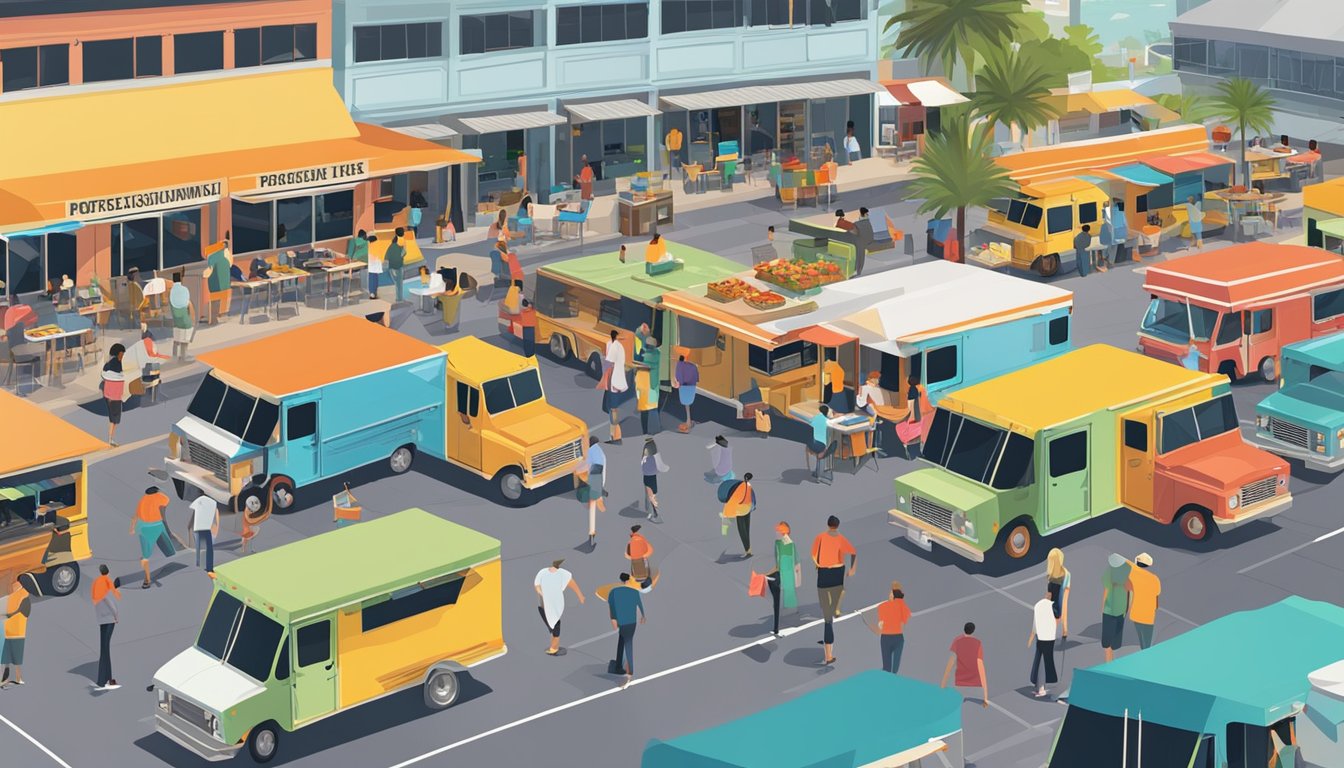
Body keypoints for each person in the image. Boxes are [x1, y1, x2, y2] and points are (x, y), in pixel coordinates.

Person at [812, 515, 857, 665]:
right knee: (838, 595)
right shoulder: (841, 539)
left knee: (827, 617)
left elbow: (813, 556)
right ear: (837, 526)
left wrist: (818, 564)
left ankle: (828, 655)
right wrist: (852, 569)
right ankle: (836, 608)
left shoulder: (820, 537)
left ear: (827, 524)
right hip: (838, 573)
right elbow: (853, 552)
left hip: (824, 575)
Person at [535, 559, 585, 656]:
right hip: (545, 606)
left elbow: (572, 583)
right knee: (554, 626)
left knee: (555, 626)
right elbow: (537, 586)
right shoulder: (544, 573)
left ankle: (554, 647)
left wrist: (580, 595)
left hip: (552, 605)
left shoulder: (558, 573)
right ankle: (554, 646)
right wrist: (543, 594)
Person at [131, 486, 176, 588]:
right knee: (167, 544)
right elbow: (167, 500)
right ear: (156, 492)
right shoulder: (160, 497)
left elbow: (136, 516)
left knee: (145, 556)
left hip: (143, 527)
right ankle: (171, 555)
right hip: (157, 525)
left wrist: (132, 528)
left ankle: (147, 579)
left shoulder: (142, 500)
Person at [607, 572, 646, 689]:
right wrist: (643, 615)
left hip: (621, 622)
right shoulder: (634, 591)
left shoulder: (614, 592)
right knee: (626, 644)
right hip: (631, 623)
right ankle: (621, 667)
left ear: (620, 580)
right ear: (628, 580)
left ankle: (628, 674)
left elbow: (612, 606)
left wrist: (613, 619)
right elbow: (639, 604)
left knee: (623, 642)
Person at [941, 622, 988, 707]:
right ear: (973, 631)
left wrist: (943, 684)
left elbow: (950, 663)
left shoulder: (957, 641)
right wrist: (985, 697)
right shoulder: (978, 643)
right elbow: (981, 666)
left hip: (959, 683)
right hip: (974, 684)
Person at [869, 581, 911, 674]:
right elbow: (904, 621)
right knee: (895, 668)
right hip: (898, 637)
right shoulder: (903, 607)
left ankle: (886, 684)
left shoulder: (882, 607)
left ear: (892, 594)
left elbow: (881, 624)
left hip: (886, 638)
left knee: (886, 667)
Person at [765, 522, 798, 637]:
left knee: (776, 602)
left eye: (778, 531)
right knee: (777, 601)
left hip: (779, 575)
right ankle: (776, 627)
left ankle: (776, 627)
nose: (775, 533)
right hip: (782, 574)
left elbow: (781, 564)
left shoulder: (783, 544)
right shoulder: (783, 543)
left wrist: (767, 574)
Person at [92, 564, 120, 691]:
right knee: (105, 649)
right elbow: (110, 603)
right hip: (109, 620)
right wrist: (116, 616)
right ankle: (103, 680)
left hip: (102, 620)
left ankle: (106, 679)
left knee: (104, 648)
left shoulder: (96, 586)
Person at [1101, 553, 1131, 662]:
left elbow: (1106, 591)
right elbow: (1129, 592)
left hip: (1109, 610)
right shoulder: (1127, 571)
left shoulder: (1109, 573)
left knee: (1106, 643)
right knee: (1115, 640)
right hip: (1121, 610)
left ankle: (1109, 662)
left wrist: (1102, 607)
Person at [1127, 552, 1161, 650]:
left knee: (1140, 637)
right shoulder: (1155, 579)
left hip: (1136, 612)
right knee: (1147, 641)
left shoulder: (1132, 574)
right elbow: (1156, 598)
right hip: (1148, 614)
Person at [1, 575, 31, 687]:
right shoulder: (16, 595)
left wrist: (7, 615)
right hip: (11, 631)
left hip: (15, 632)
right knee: (10, 658)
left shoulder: (21, 595)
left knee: (13, 658)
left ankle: (15, 678)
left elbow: (22, 611)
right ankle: (10, 678)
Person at [1029, 588, 1058, 698]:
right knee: (1045, 660)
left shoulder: (1039, 605)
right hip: (1049, 636)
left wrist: (1032, 636)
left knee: (1040, 661)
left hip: (1042, 637)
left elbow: (1035, 624)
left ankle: (1041, 688)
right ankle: (1041, 686)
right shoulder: (1051, 606)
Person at [721, 473, 755, 557]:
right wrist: (753, 507)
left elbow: (733, 499)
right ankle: (748, 549)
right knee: (746, 530)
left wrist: (727, 512)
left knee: (743, 530)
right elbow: (753, 498)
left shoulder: (740, 486)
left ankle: (748, 550)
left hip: (741, 511)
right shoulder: (748, 486)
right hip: (747, 510)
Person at [604, 330, 629, 444]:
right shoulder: (619, 346)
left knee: (613, 409)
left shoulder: (614, 346)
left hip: (613, 380)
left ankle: (616, 436)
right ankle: (613, 435)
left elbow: (609, 362)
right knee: (612, 408)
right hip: (617, 379)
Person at [101, 344, 127, 447]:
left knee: (113, 418)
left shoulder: (108, 364)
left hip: (108, 394)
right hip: (115, 395)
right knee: (114, 419)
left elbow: (104, 376)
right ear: (119, 353)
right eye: (122, 353)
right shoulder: (120, 365)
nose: (123, 355)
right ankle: (110, 439)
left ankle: (110, 438)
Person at [808, 404, 840, 483]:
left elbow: (810, 426)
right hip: (821, 445)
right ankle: (819, 476)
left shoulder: (815, 418)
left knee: (819, 453)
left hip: (812, 443)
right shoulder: (827, 421)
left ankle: (816, 472)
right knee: (822, 454)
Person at [202, 238, 232, 324]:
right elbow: (229, 265)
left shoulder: (213, 256)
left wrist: (203, 274)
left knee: (215, 302)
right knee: (223, 301)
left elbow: (209, 271)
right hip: (225, 284)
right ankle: (222, 315)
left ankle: (214, 319)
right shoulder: (226, 255)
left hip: (215, 285)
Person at [584, 436, 606, 548]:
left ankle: (592, 533)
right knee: (593, 502)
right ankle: (591, 532)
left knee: (593, 504)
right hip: (597, 477)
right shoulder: (598, 450)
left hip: (594, 477)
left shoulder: (590, 451)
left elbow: (588, 466)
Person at [640, 438, 668, 523]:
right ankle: (653, 511)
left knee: (649, 495)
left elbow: (642, 464)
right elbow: (660, 465)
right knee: (653, 494)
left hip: (647, 476)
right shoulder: (655, 452)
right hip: (653, 476)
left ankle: (654, 513)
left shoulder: (645, 452)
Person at [190, 494, 219, 575]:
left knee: (199, 548)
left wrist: (190, 526)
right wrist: (216, 530)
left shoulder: (199, 501)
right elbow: (216, 520)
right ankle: (209, 568)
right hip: (207, 528)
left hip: (198, 528)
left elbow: (194, 514)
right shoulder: (213, 504)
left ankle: (199, 566)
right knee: (209, 549)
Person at [1046, 547, 1071, 638]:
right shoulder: (1066, 573)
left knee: (1054, 615)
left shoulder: (1050, 574)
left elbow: (1049, 592)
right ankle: (1064, 630)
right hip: (1062, 593)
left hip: (1054, 595)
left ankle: (1052, 633)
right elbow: (1067, 588)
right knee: (1062, 612)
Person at [168, 283, 194, 361]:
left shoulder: (171, 300)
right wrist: (192, 321)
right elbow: (192, 312)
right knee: (185, 340)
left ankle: (174, 356)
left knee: (176, 339)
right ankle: (184, 356)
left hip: (176, 322)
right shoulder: (186, 301)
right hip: (185, 322)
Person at [674, 353, 699, 433]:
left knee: (686, 404)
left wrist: (679, 383)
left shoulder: (680, 364)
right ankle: (689, 421)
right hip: (691, 385)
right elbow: (696, 377)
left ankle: (688, 421)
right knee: (688, 403)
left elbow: (678, 375)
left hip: (684, 386)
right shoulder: (693, 366)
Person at [386, 227, 408, 302]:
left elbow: (387, 255)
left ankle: (398, 298)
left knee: (396, 282)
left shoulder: (393, 242)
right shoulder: (403, 241)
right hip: (399, 264)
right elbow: (404, 252)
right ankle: (399, 298)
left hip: (392, 265)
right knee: (399, 283)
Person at [853, 207, 874, 276]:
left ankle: (857, 271)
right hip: (863, 240)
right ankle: (858, 271)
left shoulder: (858, 223)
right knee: (860, 254)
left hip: (861, 241)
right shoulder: (867, 222)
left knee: (859, 253)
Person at [367, 230, 385, 299]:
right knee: (375, 279)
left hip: (372, 265)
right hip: (377, 265)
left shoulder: (371, 245)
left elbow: (371, 257)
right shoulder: (378, 244)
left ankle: (372, 293)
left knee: (372, 279)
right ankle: (374, 292)